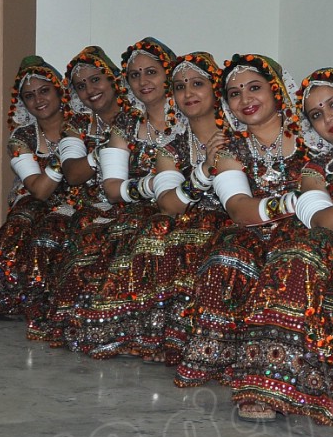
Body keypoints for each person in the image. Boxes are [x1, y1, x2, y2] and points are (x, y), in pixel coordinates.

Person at [224, 68, 333, 424]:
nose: (328, 118)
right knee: (298, 253)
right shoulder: (317, 169)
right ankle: (267, 381)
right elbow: (319, 220)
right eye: (316, 114)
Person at [72, 51, 232, 360]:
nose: (144, 81)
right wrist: (157, 185)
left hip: (218, 213)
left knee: (182, 229)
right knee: (151, 228)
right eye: (135, 75)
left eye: (151, 72)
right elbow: (115, 190)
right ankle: (151, 328)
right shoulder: (135, 129)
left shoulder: (225, 130)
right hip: (150, 206)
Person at [173, 53, 309, 408]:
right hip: (252, 231)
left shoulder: (310, 140)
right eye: (235, 93)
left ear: (276, 90)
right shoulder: (230, 148)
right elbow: (237, 208)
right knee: (227, 251)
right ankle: (217, 355)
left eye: (254, 88)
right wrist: (291, 203)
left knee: (294, 260)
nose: (245, 100)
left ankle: (276, 375)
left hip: (306, 235)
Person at [27, 46, 137, 344]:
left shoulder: (136, 117)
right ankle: (71, 315)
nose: (90, 90)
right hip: (90, 202)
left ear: (114, 80)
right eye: (80, 86)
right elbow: (73, 174)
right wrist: (101, 153)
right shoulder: (76, 125)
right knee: (72, 229)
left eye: (96, 80)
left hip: (137, 202)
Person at [0, 56, 86, 318]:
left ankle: (40, 296)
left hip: (77, 200)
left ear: (60, 91)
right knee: (23, 219)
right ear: (23, 103)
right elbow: (39, 190)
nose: (38, 100)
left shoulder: (82, 126)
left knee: (55, 224)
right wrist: (63, 158)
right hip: (36, 199)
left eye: (44, 91)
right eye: (29, 96)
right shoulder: (21, 138)